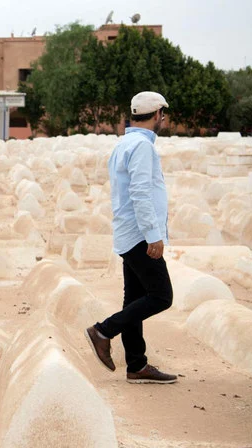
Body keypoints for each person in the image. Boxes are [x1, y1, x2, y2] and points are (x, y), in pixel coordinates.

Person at [85, 91, 177, 384]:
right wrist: (154, 235)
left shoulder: (124, 143)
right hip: (140, 235)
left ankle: (137, 365)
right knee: (161, 296)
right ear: (157, 114)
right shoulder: (141, 147)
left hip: (128, 232)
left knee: (134, 299)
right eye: (164, 114)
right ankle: (103, 330)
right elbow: (140, 193)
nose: (164, 119)